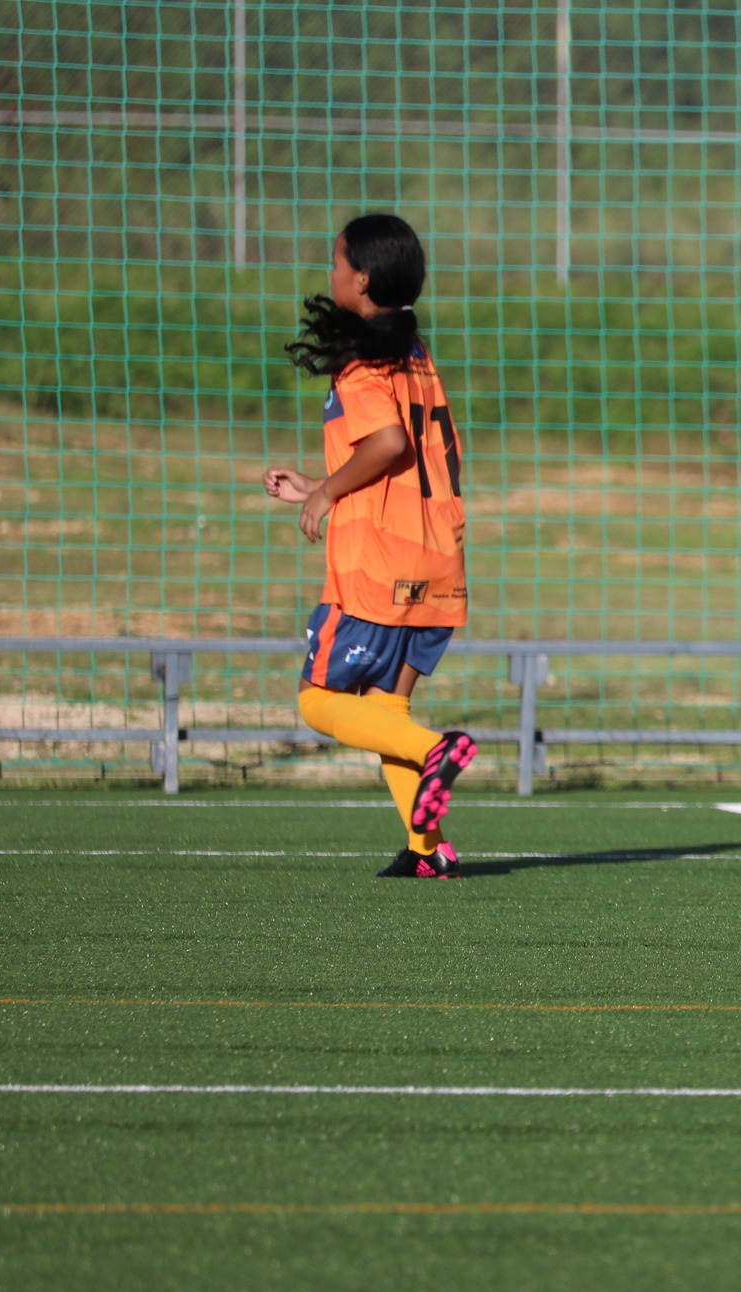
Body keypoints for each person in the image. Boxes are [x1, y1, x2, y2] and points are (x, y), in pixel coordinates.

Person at [263, 213, 477, 878]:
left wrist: (326, 495)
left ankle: (438, 749)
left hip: (378, 564)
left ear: (361, 278)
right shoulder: (413, 353)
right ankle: (428, 850)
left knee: (317, 700)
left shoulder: (361, 361)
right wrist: (318, 482)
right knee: (386, 708)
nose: (330, 273)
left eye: (336, 262)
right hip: (438, 556)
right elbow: (397, 454)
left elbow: (387, 444)